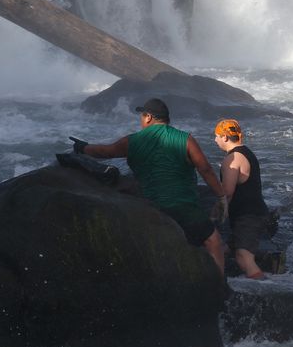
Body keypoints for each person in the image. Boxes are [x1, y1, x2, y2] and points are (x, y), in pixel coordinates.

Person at [75, 97, 228, 276]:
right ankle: (219, 286)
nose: (141, 120)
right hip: (184, 208)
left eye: (142, 116)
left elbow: (104, 152)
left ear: (148, 117)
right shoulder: (185, 139)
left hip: (151, 209)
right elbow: (205, 169)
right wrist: (221, 196)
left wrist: (82, 147)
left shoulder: (131, 142)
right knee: (213, 241)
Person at [213, 118, 269, 280]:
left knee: (243, 256)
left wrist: (217, 214)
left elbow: (227, 192)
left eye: (216, 136)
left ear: (224, 137)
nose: (215, 140)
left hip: (248, 216)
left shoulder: (232, 159)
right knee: (225, 248)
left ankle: (267, 291)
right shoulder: (247, 152)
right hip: (256, 212)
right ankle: (270, 262)